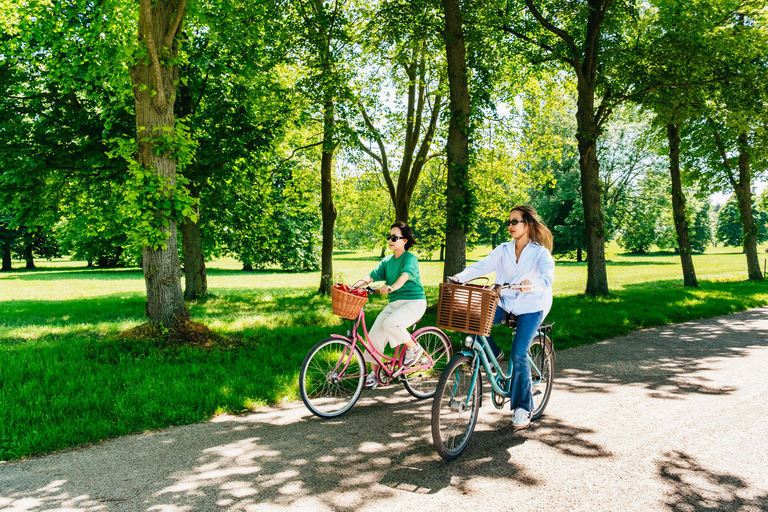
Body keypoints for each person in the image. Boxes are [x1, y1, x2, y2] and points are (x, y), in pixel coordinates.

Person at [449, 205, 555, 429]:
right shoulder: (503, 249)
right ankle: (494, 353)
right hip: (506, 302)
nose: (510, 226)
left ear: (527, 224)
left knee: (519, 353)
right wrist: (458, 278)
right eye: (508, 222)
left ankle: (522, 408)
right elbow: (482, 266)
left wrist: (531, 284)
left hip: (531, 305)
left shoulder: (540, 253)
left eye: (515, 222)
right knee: (471, 321)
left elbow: (546, 280)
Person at [351, 222, 427, 389]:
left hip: (414, 302)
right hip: (395, 303)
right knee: (374, 335)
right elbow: (371, 277)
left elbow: (404, 277)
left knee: (391, 323)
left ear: (405, 241)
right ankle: (374, 375)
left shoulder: (410, 259)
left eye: (394, 237)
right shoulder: (387, 261)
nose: (390, 240)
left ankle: (415, 349)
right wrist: (353, 287)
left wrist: (392, 287)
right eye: (389, 237)